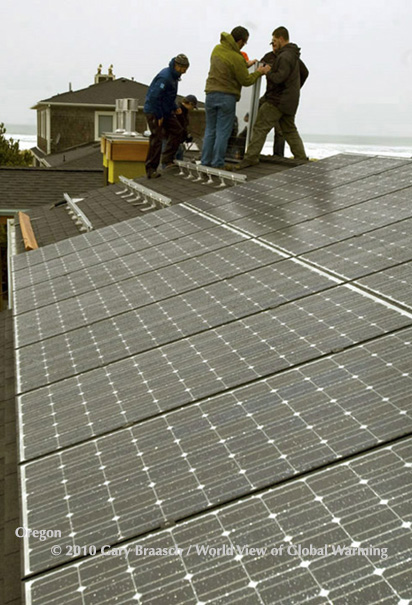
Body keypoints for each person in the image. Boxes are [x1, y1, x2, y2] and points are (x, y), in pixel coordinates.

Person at [201, 26, 270, 168]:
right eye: (244, 43)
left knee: (210, 130)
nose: (243, 45)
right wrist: (259, 72)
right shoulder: (237, 57)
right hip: (227, 97)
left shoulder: (217, 49)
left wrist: (245, 64)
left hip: (210, 94)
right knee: (222, 132)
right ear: (240, 41)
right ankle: (217, 163)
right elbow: (246, 80)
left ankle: (205, 161)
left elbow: (228, 64)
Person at [238, 27, 308, 168]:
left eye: (274, 41)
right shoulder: (293, 56)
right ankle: (302, 159)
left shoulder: (284, 56)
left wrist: (267, 72)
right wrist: (293, 90)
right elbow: (304, 73)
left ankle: (250, 157)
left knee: (260, 126)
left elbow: (279, 78)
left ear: (281, 39)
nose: (273, 44)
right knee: (289, 130)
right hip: (289, 101)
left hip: (277, 100)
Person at [143, 54, 190, 178]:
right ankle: (151, 169)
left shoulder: (174, 77)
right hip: (154, 111)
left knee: (177, 130)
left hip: (165, 110)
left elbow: (168, 97)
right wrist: (158, 116)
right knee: (156, 138)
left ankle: (167, 159)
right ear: (177, 66)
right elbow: (154, 97)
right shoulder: (165, 77)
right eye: (184, 69)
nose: (184, 72)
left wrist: (175, 108)